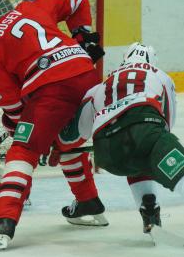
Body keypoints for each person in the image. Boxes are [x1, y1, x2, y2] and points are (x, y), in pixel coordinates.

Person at [0, 0, 106, 250]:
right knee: (64, 139)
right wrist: (81, 36)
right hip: (86, 73)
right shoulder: (28, 8)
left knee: (23, 149)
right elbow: (77, 0)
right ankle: (88, 202)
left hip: (53, 89)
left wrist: (26, 133)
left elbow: (14, 109)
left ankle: (4, 220)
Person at [62, 42, 183, 234]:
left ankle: (149, 210)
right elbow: (166, 122)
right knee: (163, 154)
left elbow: (80, 131)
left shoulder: (101, 85)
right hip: (143, 126)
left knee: (135, 152)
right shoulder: (160, 75)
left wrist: (58, 147)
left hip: (108, 155)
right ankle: (150, 209)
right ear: (153, 60)